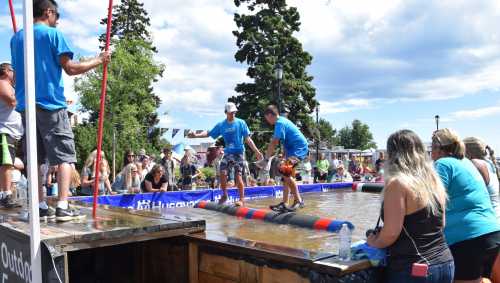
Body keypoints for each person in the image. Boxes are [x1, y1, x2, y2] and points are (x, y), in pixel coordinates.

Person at [11, 0, 111, 221]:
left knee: (34, 159)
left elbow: (18, 74)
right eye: (57, 15)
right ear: (48, 12)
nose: (58, 20)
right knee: (65, 156)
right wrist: (100, 59)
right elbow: (71, 68)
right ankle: (63, 206)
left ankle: (39, 205)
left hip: (26, 105)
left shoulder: (17, 38)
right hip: (50, 104)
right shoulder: (53, 35)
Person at [367, 130, 454, 283]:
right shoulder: (434, 181)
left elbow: (390, 234)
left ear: (393, 155)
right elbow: (441, 225)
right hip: (445, 263)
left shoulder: (398, 183)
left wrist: (373, 242)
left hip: (415, 268)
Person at [431, 129, 500, 282]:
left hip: (468, 237)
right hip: (492, 232)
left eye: (431, 148)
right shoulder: (466, 163)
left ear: (439, 148)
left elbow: (433, 201)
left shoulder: (442, 164)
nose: (430, 153)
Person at [189, 102, 263, 206]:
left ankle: (241, 199)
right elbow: (208, 133)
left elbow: (248, 139)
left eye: (234, 112)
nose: (233, 114)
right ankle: (224, 195)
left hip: (239, 153)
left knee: (238, 176)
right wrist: (196, 135)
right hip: (228, 153)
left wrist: (257, 151)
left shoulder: (241, 123)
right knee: (222, 173)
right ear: (226, 113)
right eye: (230, 112)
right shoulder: (221, 125)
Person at [262, 105, 308, 212]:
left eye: (266, 118)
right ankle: (285, 203)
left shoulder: (280, 123)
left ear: (269, 115)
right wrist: (284, 155)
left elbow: (274, 142)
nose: (267, 121)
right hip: (292, 150)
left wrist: (266, 159)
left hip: (299, 149)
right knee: (286, 176)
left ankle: (299, 200)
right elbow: (286, 140)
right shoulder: (282, 121)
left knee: (283, 171)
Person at [0, 63, 23, 209]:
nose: (16, 74)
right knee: (7, 163)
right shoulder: (2, 83)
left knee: (7, 163)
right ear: (7, 71)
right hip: (4, 131)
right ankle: (6, 195)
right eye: (14, 71)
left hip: (11, 133)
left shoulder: (10, 86)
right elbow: (12, 101)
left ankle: (5, 194)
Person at [464, 137, 500, 218]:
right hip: (496, 214)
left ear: (467, 152)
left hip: (489, 216)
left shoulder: (476, 163)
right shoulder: (489, 163)